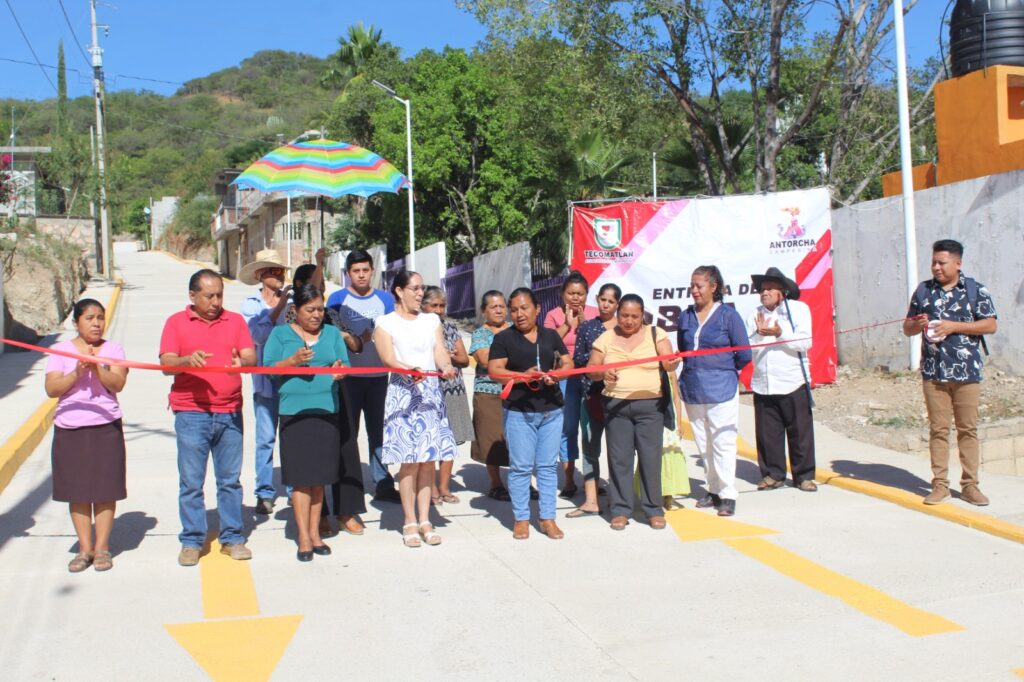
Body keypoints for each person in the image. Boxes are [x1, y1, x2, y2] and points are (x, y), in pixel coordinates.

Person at [160, 269, 257, 566]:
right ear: (192, 296)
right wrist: (186, 361)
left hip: (230, 412)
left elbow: (250, 357)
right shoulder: (175, 323)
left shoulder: (235, 321)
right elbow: (166, 364)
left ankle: (232, 537)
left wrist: (243, 362)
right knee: (191, 482)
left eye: (219, 295)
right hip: (192, 413)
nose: (216, 302)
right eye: (209, 296)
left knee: (230, 481)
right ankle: (192, 541)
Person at [263, 284, 354, 561]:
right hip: (295, 414)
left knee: (319, 479)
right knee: (301, 480)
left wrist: (340, 371)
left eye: (320, 310)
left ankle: (315, 533)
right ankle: (303, 536)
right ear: (295, 310)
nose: (316, 315)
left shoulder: (332, 334)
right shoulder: (280, 334)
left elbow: (345, 364)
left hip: (326, 411)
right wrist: (291, 361)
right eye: (310, 310)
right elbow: (267, 369)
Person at [903, 239, 998, 506]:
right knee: (938, 430)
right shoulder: (923, 291)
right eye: (933, 262)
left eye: (942, 263)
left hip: (967, 373)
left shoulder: (975, 290)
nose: (936, 267)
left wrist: (954, 326)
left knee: (968, 429)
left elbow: (990, 325)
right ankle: (940, 485)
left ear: (958, 263)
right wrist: (916, 323)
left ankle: (970, 486)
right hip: (934, 373)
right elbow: (907, 329)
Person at [374, 270, 459, 547]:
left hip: (429, 395)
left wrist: (446, 366)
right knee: (409, 462)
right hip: (403, 394)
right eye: (415, 288)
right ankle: (409, 520)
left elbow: (439, 350)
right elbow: (388, 359)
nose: (421, 293)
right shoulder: (385, 323)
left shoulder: (430, 320)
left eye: (423, 288)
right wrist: (407, 369)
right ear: (399, 291)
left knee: (427, 460)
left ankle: (425, 519)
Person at [44, 299, 128, 572]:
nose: (96, 323)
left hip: (105, 426)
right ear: (76, 322)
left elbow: (118, 383)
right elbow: (52, 388)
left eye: (100, 317)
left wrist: (97, 368)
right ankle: (84, 549)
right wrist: (77, 372)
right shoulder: (61, 351)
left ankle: (102, 548)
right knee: (77, 491)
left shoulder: (113, 349)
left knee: (105, 489)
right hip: (70, 427)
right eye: (90, 318)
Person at [488, 287, 573, 540]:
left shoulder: (551, 336)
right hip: (519, 412)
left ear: (537, 309)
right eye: (514, 310)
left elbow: (568, 363)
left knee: (547, 467)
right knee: (521, 468)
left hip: (552, 411)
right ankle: (521, 519)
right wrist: (521, 376)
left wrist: (556, 375)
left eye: (524, 308)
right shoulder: (504, 339)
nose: (519, 314)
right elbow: (495, 370)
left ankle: (548, 518)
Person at [587, 294, 678, 530]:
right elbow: (591, 369)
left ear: (643, 316)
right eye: (624, 316)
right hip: (616, 408)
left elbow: (668, 360)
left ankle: (653, 509)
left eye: (635, 317)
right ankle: (620, 509)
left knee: (650, 459)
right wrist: (603, 373)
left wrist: (671, 362)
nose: (629, 321)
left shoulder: (656, 334)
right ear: (617, 314)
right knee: (620, 460)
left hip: (650, 408)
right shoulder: (606, 338)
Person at [677, 265, 752, 517]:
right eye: (692, 286)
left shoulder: (728, 316)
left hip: (721, 388)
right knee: (703, 441)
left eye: (699, 286)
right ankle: (713, 489)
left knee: (722, 440)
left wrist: (721, 369)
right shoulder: (685, 316)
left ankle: (728, 493)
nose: (694, 290)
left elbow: (743, 354)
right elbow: (684, 349)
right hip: (693, 387)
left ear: (714, 286)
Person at [326, 250, 400, 503]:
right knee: (348, 432)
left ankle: (383, 483)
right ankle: (348, 484)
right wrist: (354, 341)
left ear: (372, 271)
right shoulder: (337, 300)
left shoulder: (385, 299)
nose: (360, 275)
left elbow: (393, 333)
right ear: (347, 273)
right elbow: (330, 335)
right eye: (355, 271)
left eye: (365, 270)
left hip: (378, 376)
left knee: (378, 432)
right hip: (348, 378)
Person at [746, 267, 817, 492]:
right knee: (768, 433)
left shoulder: (799, 310)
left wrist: (779, 333)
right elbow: (749, 348)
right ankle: (772, 474)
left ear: (782, 292)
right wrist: (759, 334)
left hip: (792, 380)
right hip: (764, 383)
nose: (764, 293)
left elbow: (805, 343)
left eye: (769, 289)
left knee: (800, 432)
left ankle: (803, 476)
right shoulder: (754, 314)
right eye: (762, 289)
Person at [240, 249, 291, 516]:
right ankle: (264, 492)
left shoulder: (292, 302)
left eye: (281, 271)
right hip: (265, 382)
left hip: (291, 379)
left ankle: (295, 488)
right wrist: (279, 308)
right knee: (265, 439)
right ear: (260, 275)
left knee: (291, 436)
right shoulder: (251, 304)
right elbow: (256, 336)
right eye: (274, 271)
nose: (280, 276)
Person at [566, 282, 621, 517]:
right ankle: (591, 500)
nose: (606, 305)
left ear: (618, 304)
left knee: (619, 450)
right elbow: (579, 359)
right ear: (597, 299)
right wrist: (597, 365)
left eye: (611, 301)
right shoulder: (588, 327)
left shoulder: (625, 327)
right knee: (590, 447)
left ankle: (618, 501)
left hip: (620, 397)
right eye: (603, 300)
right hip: (591, 395)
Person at [422, 286, 473, 505]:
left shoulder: (450, 327)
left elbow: (464, 360)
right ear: (423, 306)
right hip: (428, 389)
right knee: (430, 438)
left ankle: (444, 486)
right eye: (433, 305)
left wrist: (449, 358)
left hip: (453, 388)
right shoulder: (418, 328)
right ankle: (431, 488)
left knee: (450, 439)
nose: (438, 310)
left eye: (442, 305)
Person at [544, 271, 589, 498]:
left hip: (589, 380)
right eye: (571, 293)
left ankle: (591, 482)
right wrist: (567, 325)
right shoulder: (553, 315)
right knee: (568, 429)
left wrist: (585, 323)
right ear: (563, 294)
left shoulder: (594, 314)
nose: (575, 297)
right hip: (565, 380)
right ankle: (569, 480)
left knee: (590, 431)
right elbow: (546, 344)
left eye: (580, 293)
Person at [468, 290, 512, 500]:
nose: (499, 310)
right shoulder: (480, 334)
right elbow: (486, 361)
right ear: (484, 311)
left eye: (502, 306)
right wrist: (515, 354)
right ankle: (496, 484)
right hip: (488, 392)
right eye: (493, 307)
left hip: (515, 391)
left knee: (519, 440)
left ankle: (521, 482)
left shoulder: (516, 329)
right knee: (491, 438)